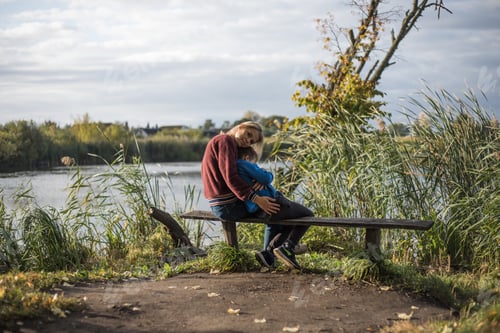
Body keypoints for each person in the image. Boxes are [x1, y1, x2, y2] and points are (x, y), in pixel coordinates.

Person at [201, 121, 313, 270]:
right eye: (248, 134)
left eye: (251, 141)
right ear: (240, 127)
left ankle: (268, 257)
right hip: (230, 206)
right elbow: (230, 177)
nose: (247, 140)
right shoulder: (225, 140)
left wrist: (254, 180)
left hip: (224, 205)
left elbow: (233, 174)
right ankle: (286, 248)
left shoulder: (227, 145)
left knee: (278, 216)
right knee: (305, 214)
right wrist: (257, 199)